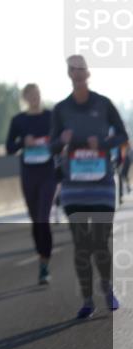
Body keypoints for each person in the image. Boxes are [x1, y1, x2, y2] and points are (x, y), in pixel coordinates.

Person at [50, 55, 128, 319]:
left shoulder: (103, 104)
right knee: (82, 245)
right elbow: (51, 146)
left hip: (102, 186)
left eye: (82, 68)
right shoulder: (61, 109)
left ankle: (107, 288)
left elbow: (123, 136)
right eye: (73, 69)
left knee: (100, 243)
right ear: (69, 74)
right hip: (74, 187)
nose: (78, 73)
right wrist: (61, 140)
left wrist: (104, 144)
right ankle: (87, 299)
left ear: (88, 72)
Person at [5, 83, 55, 284]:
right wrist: (22, 143)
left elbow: (62, 141)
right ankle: (41, 255)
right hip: (29, 174)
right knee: (36, 220)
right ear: (25, 98)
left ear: (40, 95)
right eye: (30, 95)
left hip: (48, 173)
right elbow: (8, 148)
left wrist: (56, 142)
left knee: (43, 217)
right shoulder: (19, 120)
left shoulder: (51, 117)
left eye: (37, 94)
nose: (34, 98)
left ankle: (45, 264)